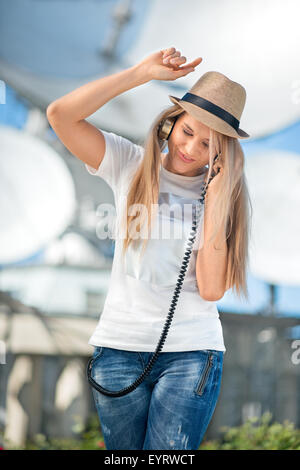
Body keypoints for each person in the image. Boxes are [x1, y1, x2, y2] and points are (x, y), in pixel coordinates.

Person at [46, 47, 252, 450]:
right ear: (170, 124)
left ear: (221, 153)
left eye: (208, 145)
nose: (191, 149)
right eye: (187, 131)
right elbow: (60, 115)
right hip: (119, 349)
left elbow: (211, 290)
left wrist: (216, 201)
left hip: (191, 353)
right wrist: (141, 73)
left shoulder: (224, 198)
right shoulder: (129, 164)